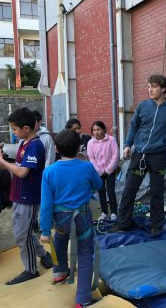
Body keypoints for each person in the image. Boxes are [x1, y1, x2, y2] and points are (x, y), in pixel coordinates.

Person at [107, 74, 166, 237]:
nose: (149, 89)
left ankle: (156, 226)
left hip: (158, 158)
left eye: (153, 86)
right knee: (129, 190)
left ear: (163, 88)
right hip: (139, 156)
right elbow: (133, 127)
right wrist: (127, 145)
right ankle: (123, 223)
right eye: (148, 86)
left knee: (157, 192)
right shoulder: (143, 106)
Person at [40, 129, 102, 308]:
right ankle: (83, 298)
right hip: (81, 217)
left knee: (60, 238)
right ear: (79, 148)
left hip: (60, 219)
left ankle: (59, 271)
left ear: (57, 148)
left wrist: (45, 231)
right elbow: (98, 185)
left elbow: (46, 205)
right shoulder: (86, 167)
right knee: (84, 254)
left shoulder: (49, 171)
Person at [0, 107, 53, 285]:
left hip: (28, 197)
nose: (14, 132)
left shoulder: (35, 146)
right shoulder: (24, 143)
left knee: (21, 234)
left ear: (26, 128)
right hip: (18, 194)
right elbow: (17, 165)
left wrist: (2, 160)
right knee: (24, 232)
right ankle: (43, 255)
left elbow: (22, 173)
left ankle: (30, 270)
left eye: (14, 129)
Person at [87, 121, 119, 221]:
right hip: (98, 172)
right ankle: (104, 212)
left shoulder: (111, 140)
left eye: (98, 129)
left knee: (111, 191)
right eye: (94, 130)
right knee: (101, 192)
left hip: (110, 170)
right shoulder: (91, 142)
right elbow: (91, 158)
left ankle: (114, 212)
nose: (96, 132)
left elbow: (115, 155)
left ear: (104, 129)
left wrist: (109, 169)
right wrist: (99, 171)